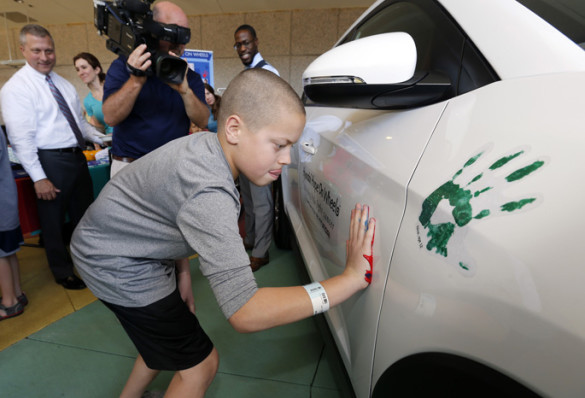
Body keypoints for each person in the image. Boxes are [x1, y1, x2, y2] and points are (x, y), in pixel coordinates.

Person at [71, 68, 376, 398]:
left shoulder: (207, 147)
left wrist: (181, 273)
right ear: (234, 129)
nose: (286, 159)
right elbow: (246, 311)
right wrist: (348, 280)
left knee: (164, 337)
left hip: (121, 244)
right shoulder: (209, 191)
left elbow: (164, 211)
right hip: (114, 260)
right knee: (200, 365)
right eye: (279, 145)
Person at [0, 24, 104, 290]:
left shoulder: (63, 84)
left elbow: (79, 125)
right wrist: (39, 177)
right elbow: (22, 140)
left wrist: (105, 138)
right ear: (23, 50)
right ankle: (62, 271)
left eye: (49, 50)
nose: (44, 56)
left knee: (85, 217)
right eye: (37, 51)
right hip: (48, 161)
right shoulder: (16, 89)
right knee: (53, 224)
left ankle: (91, 264)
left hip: (77, 157)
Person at [102, 1, 209, 177]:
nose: (180, 45)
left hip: (171, 167)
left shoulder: (188, 76)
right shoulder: (124, 66)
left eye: (183, 38)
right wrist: (135, 81)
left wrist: (185, 91)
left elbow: (203, 120)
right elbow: (110, 117)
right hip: (130, 168)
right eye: (174, 36)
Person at [234, 24, 279, 271]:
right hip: (246, 150)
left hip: (261, 151)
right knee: (249, 200)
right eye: (238, 44)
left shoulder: (267, 72)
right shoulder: (248, 73)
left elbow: (274, 115)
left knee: (262, 203)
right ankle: (251, 239)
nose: (242, 48)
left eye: (246, 43)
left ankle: (261, 252)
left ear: (256, 42)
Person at [0, 131, 27, 321]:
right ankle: (17, 293)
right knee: (8, 251)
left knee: (1, 253)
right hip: (5, 201)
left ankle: (9, 303)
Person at [73, 52, 113, 136]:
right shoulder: (87, 101)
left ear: (97, 70)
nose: (81, 72)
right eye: (78, 69)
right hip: (113, 145)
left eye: (84, 67)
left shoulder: (114, 86)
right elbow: (97, 129)